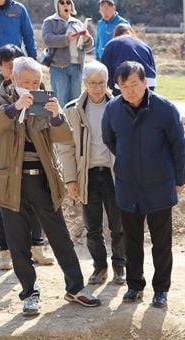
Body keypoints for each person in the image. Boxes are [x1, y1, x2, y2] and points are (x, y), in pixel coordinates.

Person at [0, 57, 101, 316]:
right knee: (18, 242)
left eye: (36, 82)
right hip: (9, 183)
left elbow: (64, 137)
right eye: (26, 82)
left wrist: (56, 117)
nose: (32, 87)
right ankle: (29, 293)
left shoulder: (45, 101)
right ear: (13, 78)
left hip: (43, 180)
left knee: (60, 236)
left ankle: (75, 287)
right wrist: (14, 108)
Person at [102, 61, 185, 308]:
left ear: (145, 82)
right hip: (128, 186)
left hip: (159, 185)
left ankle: (161, 289)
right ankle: (134, 285)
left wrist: (178, 179)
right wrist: (128, 161)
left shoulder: (164, 108)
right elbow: (110, 139)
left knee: (162, 243)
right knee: (132, 241)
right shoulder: (113, 109)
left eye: (134, 84)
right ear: (117, 87)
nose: (130, 90)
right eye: (124, 86)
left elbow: (178, 146)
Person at [0, 44, 55, 271]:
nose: (14, 70)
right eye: (10, 66)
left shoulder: (32, 89)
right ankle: (4, 250)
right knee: (2, 204)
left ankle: (36, 246)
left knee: (34, 203)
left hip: (27, 157)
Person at [57, 61, 126, 287]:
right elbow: (66, 148)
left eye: (102, 83)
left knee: (119, 225)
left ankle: (120, 266)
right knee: (92, 227)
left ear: (108, 82)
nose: (97, 88)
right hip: (87, 175)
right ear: (84, 83)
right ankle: (99, 266)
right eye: (92, 83)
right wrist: (70, 179)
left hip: (114, 175)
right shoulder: (72, 110)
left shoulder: (119, 106)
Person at [41, 0, 95, 106]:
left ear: (71, 5)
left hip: (77, 67)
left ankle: (73, 118)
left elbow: (89, 46)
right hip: (58, 67)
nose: (65, 5)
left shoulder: (78, 23)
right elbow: (47, 40)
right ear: (57, 5)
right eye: (62, 2)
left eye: (68, 2)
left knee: (76, 102)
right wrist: (66, 39)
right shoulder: (49, 21)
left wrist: (87, 39)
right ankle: (60, 118)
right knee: (60, 101)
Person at [100, 24, 157, 97]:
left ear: (115, 33)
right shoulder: (144, 44)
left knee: (120, 103)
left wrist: (111, 85)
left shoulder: (112, 43)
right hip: (148, 80)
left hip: (125, 80)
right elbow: (152, 66)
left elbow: (104, 67)